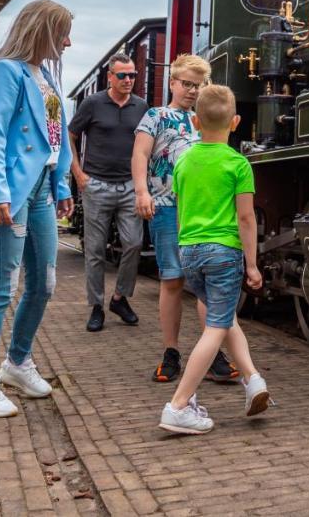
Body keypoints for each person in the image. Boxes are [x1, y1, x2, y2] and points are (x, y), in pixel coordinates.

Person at [0, 0, 75, 418]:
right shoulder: (5, 72)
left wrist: (61, 183)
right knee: (1, 285)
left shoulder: (44, 77)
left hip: (41, 188)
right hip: (8, 190)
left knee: (44, 282)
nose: (68, 41)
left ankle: (17, 363)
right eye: (62, 31)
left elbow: (55, 137)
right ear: (41, 29)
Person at [158, 85, 271, 435]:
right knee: (216, 327)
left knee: (223, 317)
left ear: (194, 121)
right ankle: (179, 405)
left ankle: (253, 380)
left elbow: (181, 210)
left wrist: (183, 246)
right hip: (223, 251)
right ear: (235, 122)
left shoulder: (184, 161)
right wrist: (251, 264)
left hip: (189, 251)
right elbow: (246, 218)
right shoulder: (238, 163)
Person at [132, 54, 240, 385]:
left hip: (200, 209)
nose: (193, 91)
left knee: (206, 286)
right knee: (172, 279)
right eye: (188, 84)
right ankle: (171, 352)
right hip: (165, 205)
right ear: (173, 83)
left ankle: (211, 353)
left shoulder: (206, 119)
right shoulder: (156, 116)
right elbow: (140, 154)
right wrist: (141, 192)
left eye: (199, 85)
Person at [69, 53, 149, 332]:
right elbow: (71, 135)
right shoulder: (92, 104)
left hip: (129, 186)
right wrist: (78, 174)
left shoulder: (141, 106)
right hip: (97, 185)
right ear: (110, 77)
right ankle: (96, 307)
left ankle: (119, 298)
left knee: (134, 243)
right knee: (94, 250)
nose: (129, 80)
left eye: (133, 75)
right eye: (123, 75)